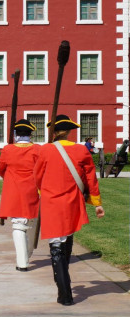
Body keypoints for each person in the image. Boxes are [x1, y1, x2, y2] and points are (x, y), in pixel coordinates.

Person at [34, 114, 105, 306]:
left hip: (51, 202)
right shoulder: (81, 150)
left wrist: (43, 191)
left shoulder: (45, 150)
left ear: (54, 131)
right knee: (66, 237)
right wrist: (97, 202)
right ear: (70, 131)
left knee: (56, 244)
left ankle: (65, 294)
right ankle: (64, 285)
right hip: (73, 201)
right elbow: (91, 179)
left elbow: (37, 177)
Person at [0, 119, 40, 272]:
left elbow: (0, 168)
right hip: (32, 190)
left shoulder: (8, 149)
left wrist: (9, 178)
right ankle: (25, 256)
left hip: (14, 191)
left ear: (16, 134)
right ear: (30, 133)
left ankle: (22, 261)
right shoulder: (37, 149)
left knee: (18, 225)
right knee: (30, 223)